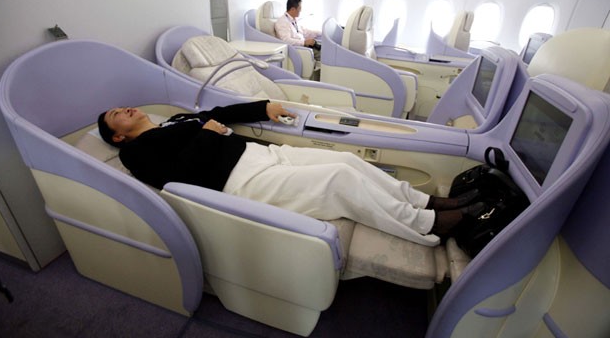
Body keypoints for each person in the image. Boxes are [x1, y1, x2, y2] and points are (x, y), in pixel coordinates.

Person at [98, 100, 483, 245]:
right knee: (338, 180)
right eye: (117, 114)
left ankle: (426, 200)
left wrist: (264, 107)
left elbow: (217, 114)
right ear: (117, 136)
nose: (125, 108)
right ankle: (428, 223)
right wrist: (206, 135)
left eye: (124, 106)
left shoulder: (175, 120)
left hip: (262, 154)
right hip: (239, 181)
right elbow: (177, 178)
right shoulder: (136, 153)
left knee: (348, 161)